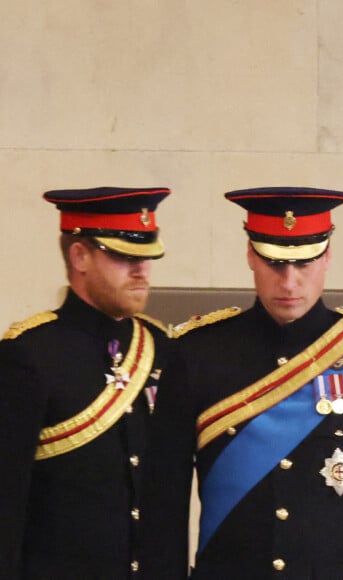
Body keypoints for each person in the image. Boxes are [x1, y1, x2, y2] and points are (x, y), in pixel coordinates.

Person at [143, 187, 343, 580]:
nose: (290, 282)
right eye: (275, 263)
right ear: (250, 255)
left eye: (305, 263)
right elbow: (163, 503)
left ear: (328, 256)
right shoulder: (195, 353)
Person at [0, 187, 173, 579]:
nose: (141, 270)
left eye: (147, 257)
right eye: (125, 256)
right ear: (80, 256)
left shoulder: (160, 347)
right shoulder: (30, 355)